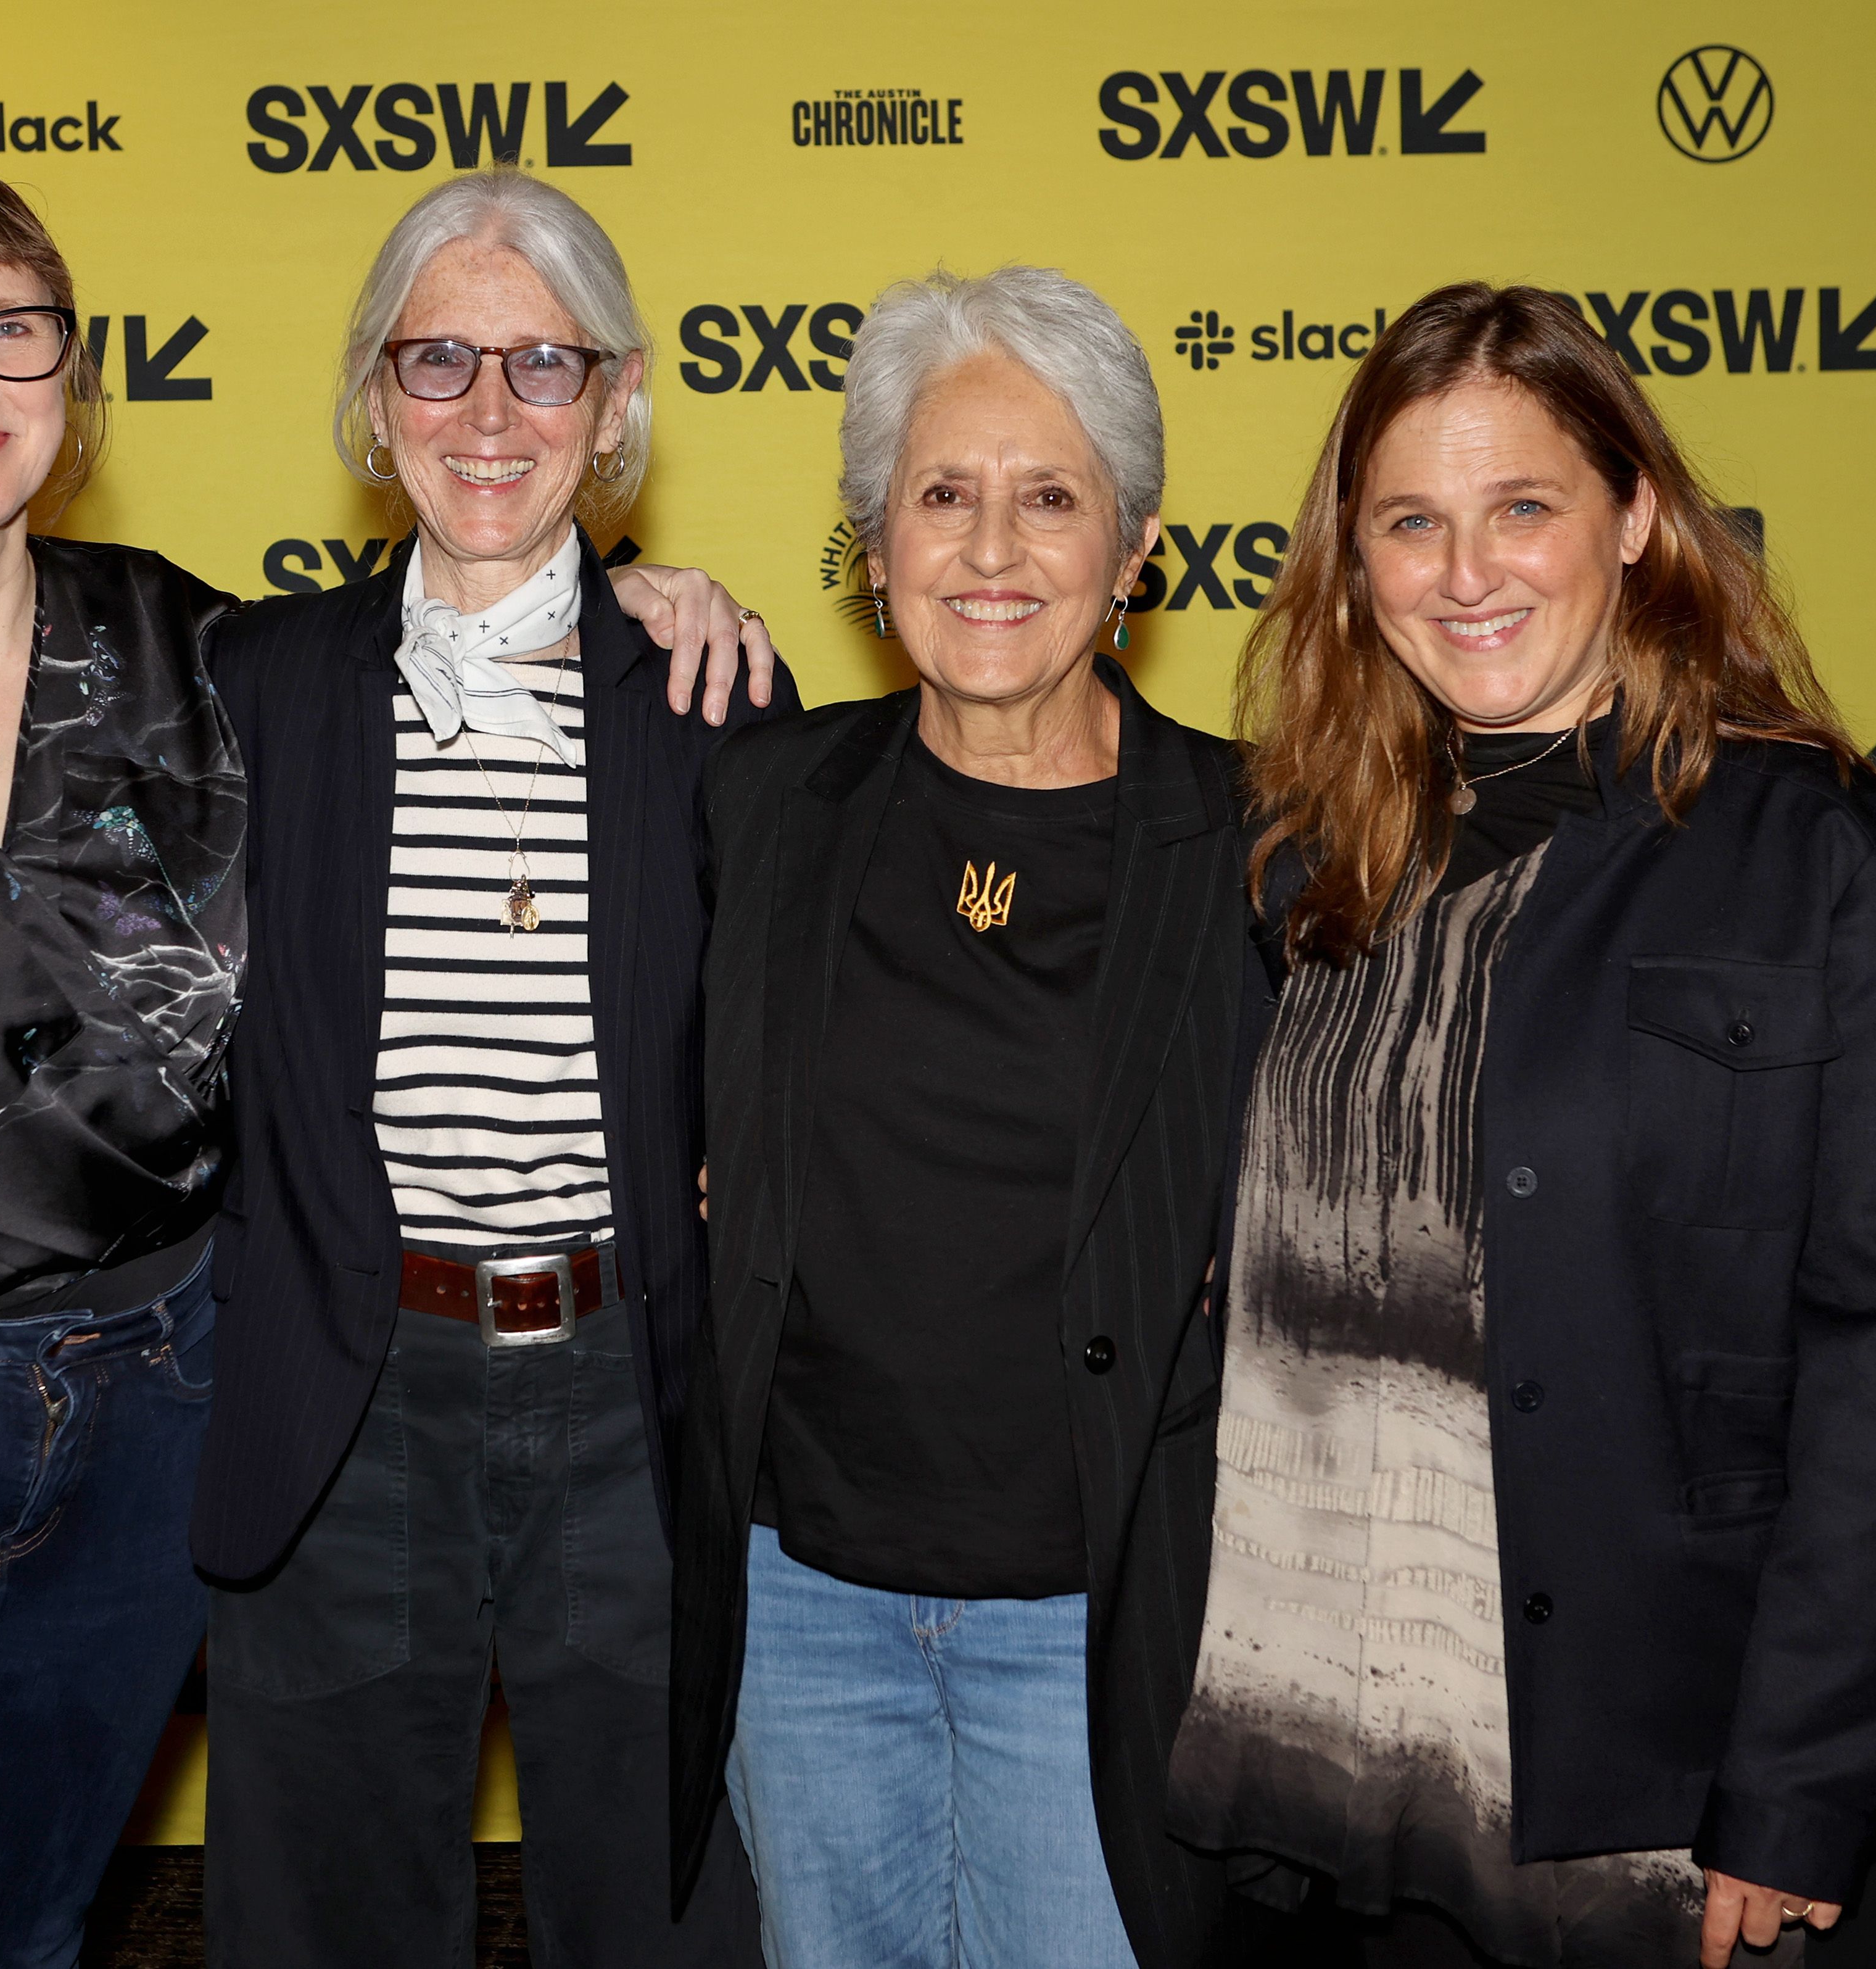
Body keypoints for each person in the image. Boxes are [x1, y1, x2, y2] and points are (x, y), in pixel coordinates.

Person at [0, 154, 769, 1969]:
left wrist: (664, 600)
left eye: (10, 332)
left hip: (153, 1406)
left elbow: (497, 641)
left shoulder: (184, 652)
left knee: (34, 1934)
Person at [1166, 283, 1876, 1969]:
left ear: (1637, 518)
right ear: (1354, 562)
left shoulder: (1835, 862)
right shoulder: (1304, 865)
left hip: (1650, 1792)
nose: (1466, 573)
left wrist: (1800, 1792)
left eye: (1520, 506)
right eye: (1411, 522)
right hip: (1326, 1785)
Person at [188, 167, 790, 1967]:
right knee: (331, 1923)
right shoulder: (248, 689)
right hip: (341, 1389)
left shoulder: (716, 705)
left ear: (615, 409)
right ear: (373, 401)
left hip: (632, 1400)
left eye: (543, 365)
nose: (486, 412)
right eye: (436, 359)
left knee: (668, 1916)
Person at [670, 267, 1254, 1969]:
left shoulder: (1260, 847)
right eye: (942, 494)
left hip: (1099, 1614)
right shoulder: (768, 797)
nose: (990, 548)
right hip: (802, 1600)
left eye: (1048, 496)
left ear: (1134, 547)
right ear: (873, 540)